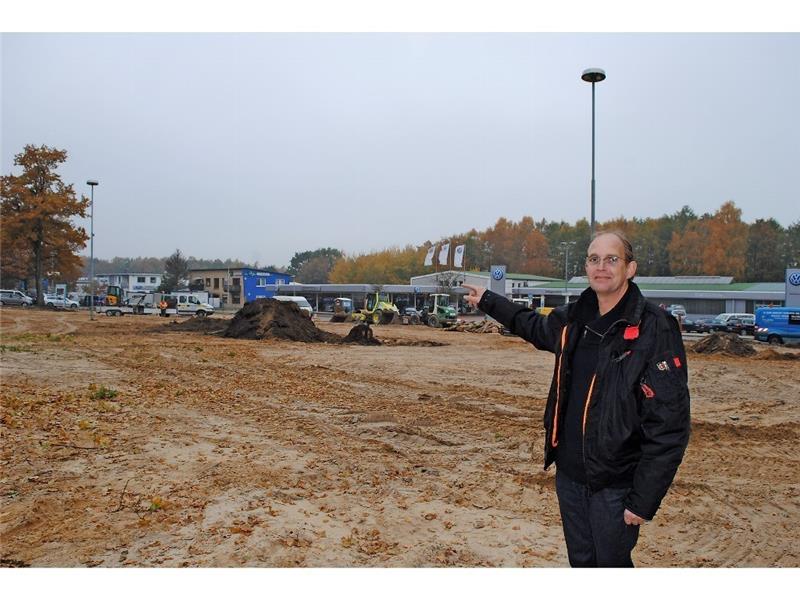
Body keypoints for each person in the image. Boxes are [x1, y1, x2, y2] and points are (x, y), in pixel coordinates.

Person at [462, 231, 690, 567]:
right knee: (581, 563)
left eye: (611, 259)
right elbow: (533, 326)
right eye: (594, 259)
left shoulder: (655, 327)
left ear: (630, 269)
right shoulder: (574, 319)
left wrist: (643, 501)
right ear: (586, 267)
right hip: (569, 478)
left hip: (615, 485)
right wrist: (489, 301)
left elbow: (669, 425)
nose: (601, 267)